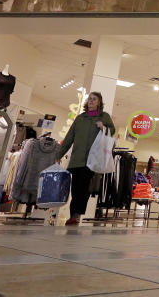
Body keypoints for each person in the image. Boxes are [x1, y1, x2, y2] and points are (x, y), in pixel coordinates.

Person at [57, 91, 115, 226]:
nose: (91, 101)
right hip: (77, 159)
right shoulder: (80, 118)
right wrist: (58, 155)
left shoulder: (104, 116)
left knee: (84, 188)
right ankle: (75, 215)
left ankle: (75, 215)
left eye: (94, 99)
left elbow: (112, 131)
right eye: (90, 99)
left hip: (92, 159)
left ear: (99, 103)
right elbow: (69, 138)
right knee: (76, 188)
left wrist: (103, 127)